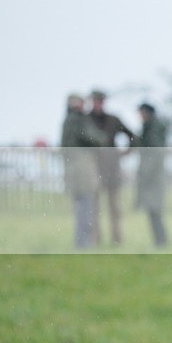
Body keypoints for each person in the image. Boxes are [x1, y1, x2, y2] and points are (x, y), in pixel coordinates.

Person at [60, 93, 108, 248]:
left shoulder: (68, 121)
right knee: (87, 206)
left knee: (81, 207)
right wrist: (102, 138)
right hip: (83, 167)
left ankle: (81, 242)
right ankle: (84, 244)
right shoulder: (79, 120)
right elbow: (96, 138)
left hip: (73, 167)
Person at [88, 89, 135, 245]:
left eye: (101, 100)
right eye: (96, 100)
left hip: (113, 169)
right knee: (94, 209)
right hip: (93, 169)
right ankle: (96, 239)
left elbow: (133, 137)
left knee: (115, 208)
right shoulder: (86, 120)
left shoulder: (113, 120)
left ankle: (117, 239)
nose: (98, 103)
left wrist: (124, 153)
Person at [132, 102, 168, 247]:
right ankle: (160, 240)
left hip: (153, 176)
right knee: (153, 210)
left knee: (154, 210)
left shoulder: (153, 129)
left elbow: (155, 153)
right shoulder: (152, 127)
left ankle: (161, 241)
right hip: (153, 175)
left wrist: (147, 173)